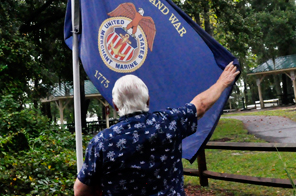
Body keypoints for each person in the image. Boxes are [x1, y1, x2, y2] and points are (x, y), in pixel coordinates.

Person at [73, 62, 240, 196]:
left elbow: (80, 190)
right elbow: (201, 105)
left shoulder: (101, 143)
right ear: (147, 101)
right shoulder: (169, 123)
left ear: (116, 106)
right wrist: (222, 82)